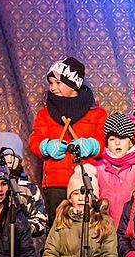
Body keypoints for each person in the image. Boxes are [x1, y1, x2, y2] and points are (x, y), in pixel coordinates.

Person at [29, 56, 107, 222]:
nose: (52, 88)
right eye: (50, 83)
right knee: (58, 227)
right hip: (56, 183)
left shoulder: (97, 113)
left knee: (88, 226)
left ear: (74, 84)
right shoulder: (45, 113)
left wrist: (93, 145)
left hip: (85, 181)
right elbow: (35, 140)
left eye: (58, 83)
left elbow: (105, 141)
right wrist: (46, 146)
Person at [96, 112, 135, 225]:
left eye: (122, 138)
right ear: (107, 143)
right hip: (105, 230)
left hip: (132, 229)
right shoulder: (98, 169)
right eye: (112, 139)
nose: (117, 143)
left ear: (131, 142)